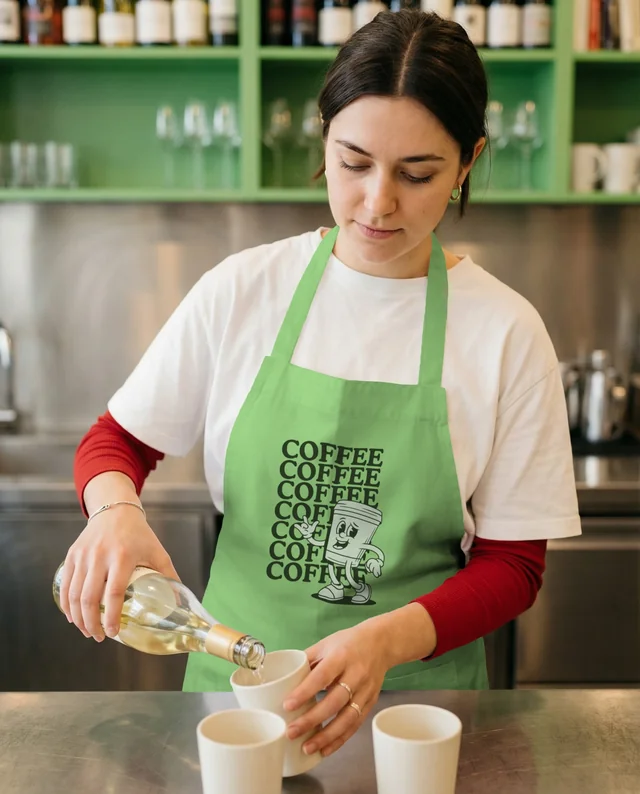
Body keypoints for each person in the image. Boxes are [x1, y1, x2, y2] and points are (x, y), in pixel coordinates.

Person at [61, 9, 580, 760]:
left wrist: (383, 640)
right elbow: (117, 441)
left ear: (468, 162)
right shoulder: (244, 289)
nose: (377, 203)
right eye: (354, 162)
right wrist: (112, 512)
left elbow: (515, 565)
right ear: (324, 139)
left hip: (414, 710)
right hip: (235, 699)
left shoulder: (505, 330)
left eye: (418, 173)